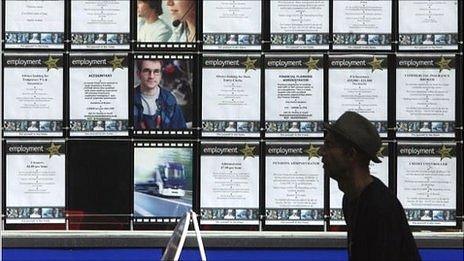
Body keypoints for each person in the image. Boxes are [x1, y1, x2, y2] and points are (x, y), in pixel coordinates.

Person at [320, 111, 420, 261]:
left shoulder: (380, 207)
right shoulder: (351, 198)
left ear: (351, 154)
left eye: (329, 145)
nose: (321, 152)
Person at [134, 60, 186, 129]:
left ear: (161, 75)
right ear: (138, 74)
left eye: (156, 71)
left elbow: (181, 131)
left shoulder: (170, 99)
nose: (151, 76)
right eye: (146, 71)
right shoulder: (128, 99)